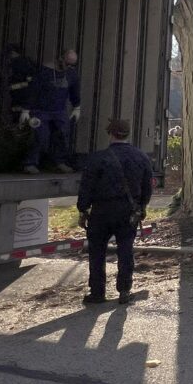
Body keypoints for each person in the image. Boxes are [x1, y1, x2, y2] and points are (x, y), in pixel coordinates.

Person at [77, 119, 153, 305]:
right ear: (127, 134)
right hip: (128, 211)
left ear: (110, 134)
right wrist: (141, 207)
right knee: (126, 250)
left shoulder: (98, 158)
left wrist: (83, 209)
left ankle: (97, 292)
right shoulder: (141, 157)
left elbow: (87, 186)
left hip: (101, 211)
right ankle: (124, 290)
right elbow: (147, 187)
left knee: (97, 252)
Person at [21, 49, 81, 174]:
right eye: (67, 63)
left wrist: (77, 107)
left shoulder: (71, 74)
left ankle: (59, 162)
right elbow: (33, 91)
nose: (69, 66)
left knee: (63, 135)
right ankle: (30, 163)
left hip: (59, 110)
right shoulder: (44, 72)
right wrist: (26, 109)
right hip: (41, 110)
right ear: (60, 58)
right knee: (41, 136)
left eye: (72, 64)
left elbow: (74, 91)